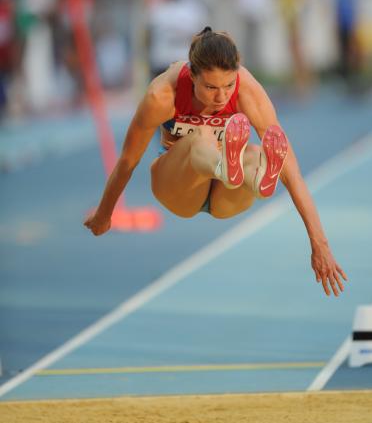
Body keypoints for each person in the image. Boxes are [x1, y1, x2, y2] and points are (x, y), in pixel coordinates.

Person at [84, 27, 347, 297]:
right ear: (192, 75)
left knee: (256, 153)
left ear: (237, 75)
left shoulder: (248, 91)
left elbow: (292, 172)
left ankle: (256, 180)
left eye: (228, 85)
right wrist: (105, 214)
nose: (221, 97)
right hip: (180, 187)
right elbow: (128, 160)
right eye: (210, 88)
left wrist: (320, 244)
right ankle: (229, 168)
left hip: (228, 198)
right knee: (202, 137)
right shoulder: (162, 96)